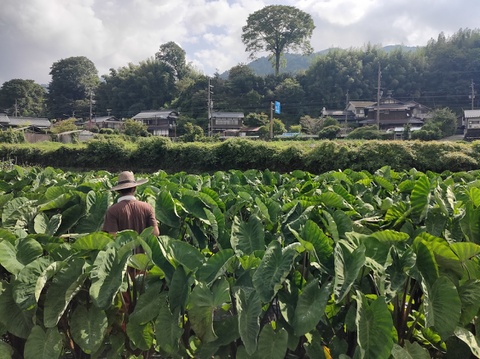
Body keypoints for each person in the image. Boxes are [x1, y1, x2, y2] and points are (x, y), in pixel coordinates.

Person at [102, 171, 160, 238]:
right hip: (143, 248)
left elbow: (113, 237)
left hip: (122, 248)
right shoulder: (147, 207)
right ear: (134, 188)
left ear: (118, 191)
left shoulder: (112, 210)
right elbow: (155, 233)